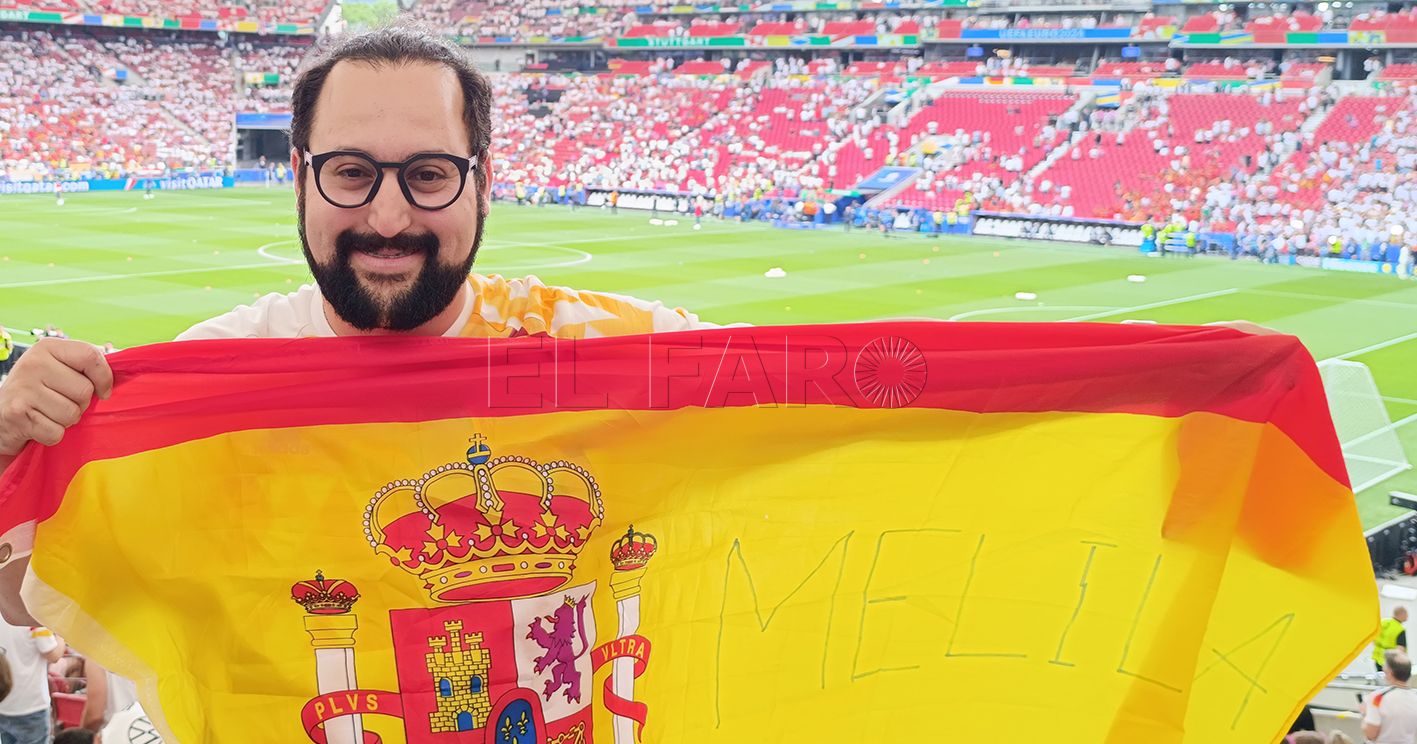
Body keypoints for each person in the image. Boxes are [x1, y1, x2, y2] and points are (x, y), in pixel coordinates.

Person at [0, 28, 725, 623]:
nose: (387, 218)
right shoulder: (209, 376)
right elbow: (27, 601)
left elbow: (819, 405)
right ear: (297, 175)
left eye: (430, 174)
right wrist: (8, 448)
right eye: (349, 172)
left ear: (483, 180)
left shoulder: (611, 347)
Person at [0, 620, 65, 744]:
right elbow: (53, 654)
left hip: (3, 702)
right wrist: (62, 635)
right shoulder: (32, 618)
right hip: (31, 705)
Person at [1364, 650, 1417, 743]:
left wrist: (1364, 714)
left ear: (1389, 672)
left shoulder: (1378, 697)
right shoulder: (1414, 697)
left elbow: (1370, 734)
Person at [1376, 607, 1408, 672]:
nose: (1407, 616)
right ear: (1402, 615)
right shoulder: (1399, 629)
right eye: (1406, 614)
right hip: (1392, 662)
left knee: (1381, 680)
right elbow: (1400, 649)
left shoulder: (1382, 623)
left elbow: (1374, 639)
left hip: (1378, 658)